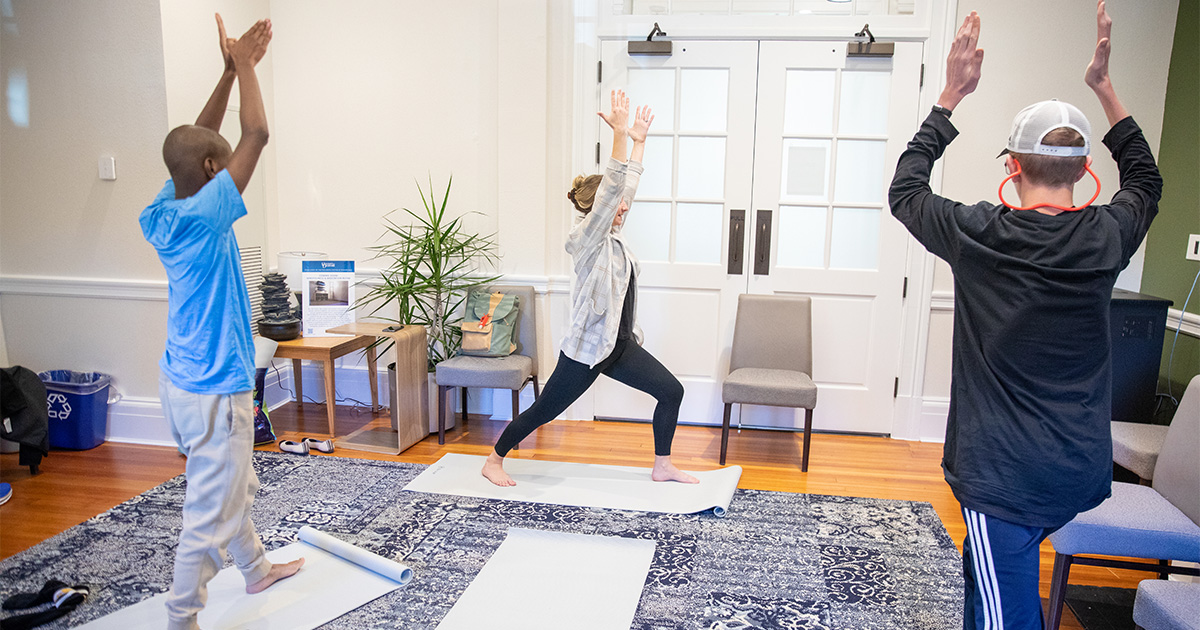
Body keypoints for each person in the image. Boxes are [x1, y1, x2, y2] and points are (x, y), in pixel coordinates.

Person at [888, 3, 1161, 628]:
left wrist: (950, 96)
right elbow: (1145, 179)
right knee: (985, 584)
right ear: (1085, 171)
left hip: (1002, 476)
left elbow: (906, 190)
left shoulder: (979, 233)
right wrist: (1105, 89)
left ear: (1013, 166)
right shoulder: (1108, 236)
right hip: (1074, 471)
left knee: (1005, 611)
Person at [139, 15, 303, 630]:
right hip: (215, 388)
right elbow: (255, 132)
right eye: (222, 163)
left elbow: (196, 138)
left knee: (228, 485)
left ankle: (255, 569)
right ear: (213, 172)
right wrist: (249, 69)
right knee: (213, 506)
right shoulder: (208, 214)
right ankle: (181, 618)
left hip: (177, 381)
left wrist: (227, 68)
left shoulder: (164, 209)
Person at [481, 90, 699, 487]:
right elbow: (615, 190)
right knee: (545, 410)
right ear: (598, 208)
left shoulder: (614, 235)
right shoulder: (587, 238)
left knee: (671, 392)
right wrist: (617, 135)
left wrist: (639, 142)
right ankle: (494, 460)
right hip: (586, 350)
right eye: (616, 205)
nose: (625, 208)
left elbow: (624, 189)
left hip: (618, 346)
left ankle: (662, 464)